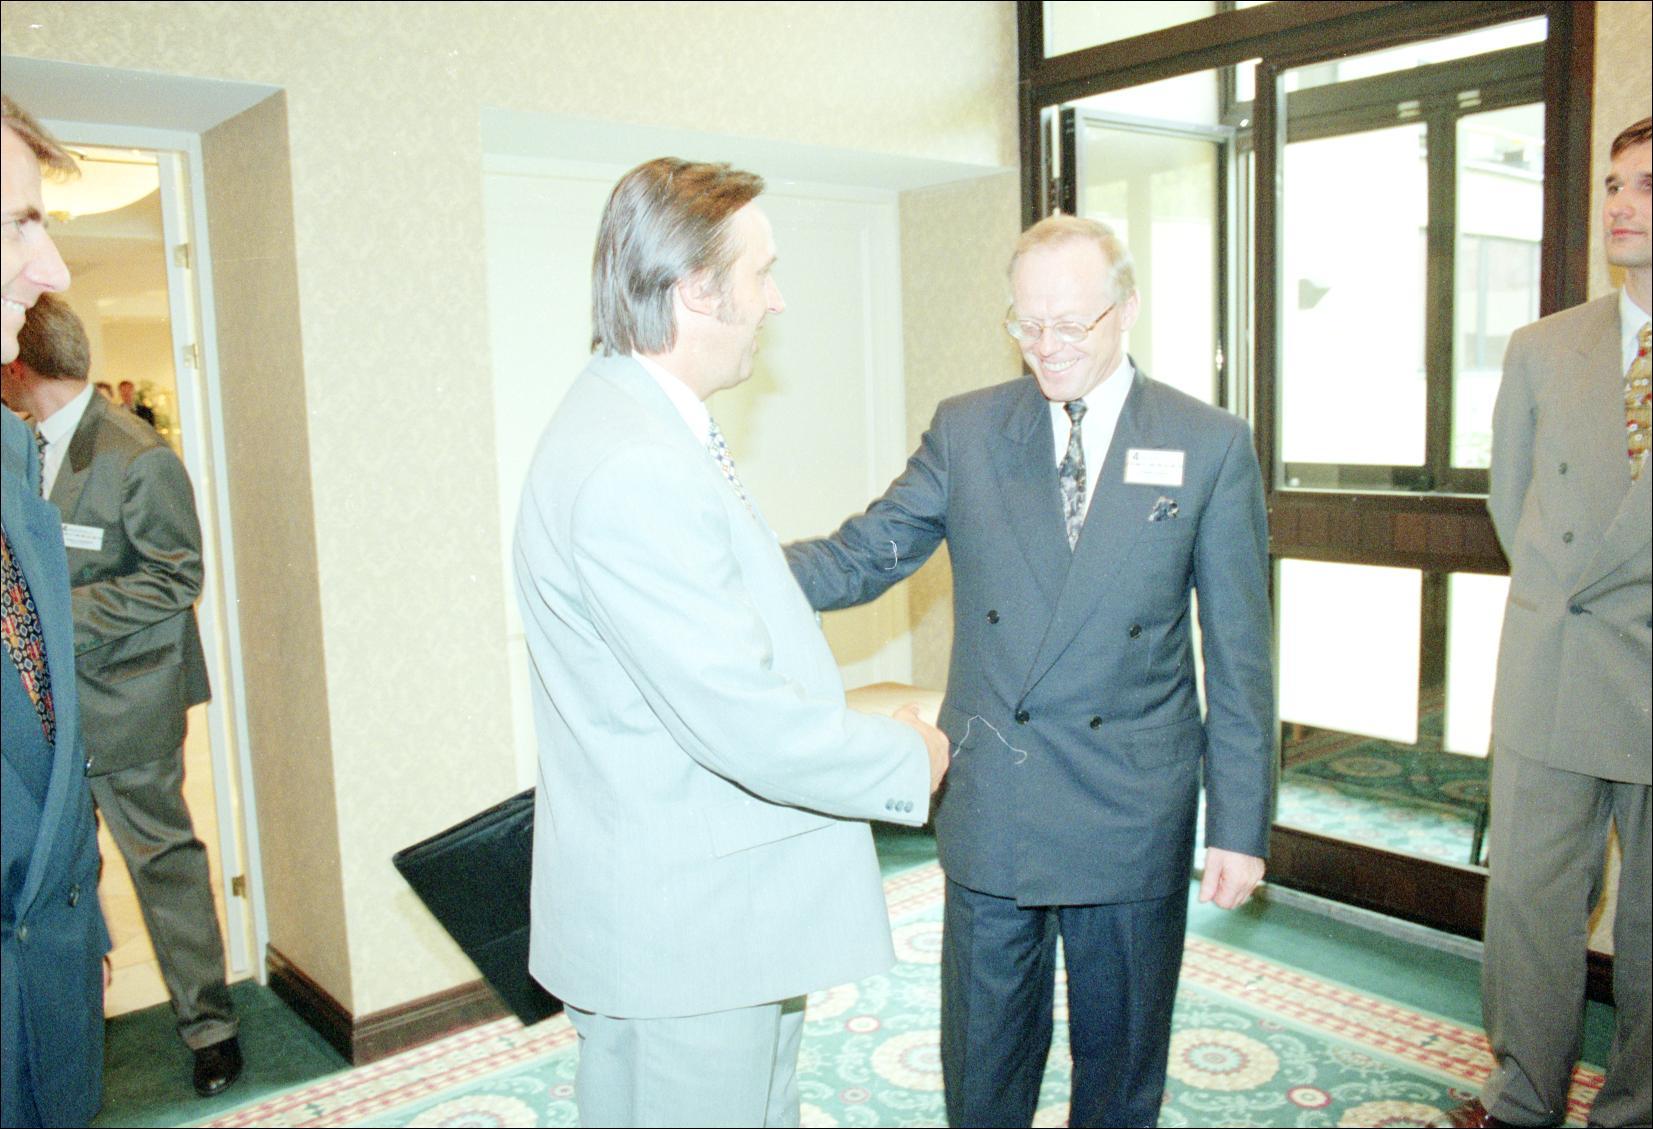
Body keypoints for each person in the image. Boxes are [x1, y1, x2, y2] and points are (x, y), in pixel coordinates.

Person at [786, 214, 1275, 1128]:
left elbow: (1240, 653)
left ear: (1127, 309)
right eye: (1026, 324)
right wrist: (727, 568)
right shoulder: (969, 429)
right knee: (983, 1066)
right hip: (995, 798)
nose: (1045, 346)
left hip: (1129, 806)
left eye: (1070, 324)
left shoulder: (1206, 442)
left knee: (1119, 1073)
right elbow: (862, 555)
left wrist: (1238, 825)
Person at [512, 157, 950, 1127]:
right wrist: (907, 757)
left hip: (706, 910)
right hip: (691, 934)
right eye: (762, 272)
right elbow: (739, 718)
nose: (775, 300)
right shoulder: (634, 463)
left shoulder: (637, 421)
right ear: (697, 289)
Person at [1433, 117, 1651, 1129]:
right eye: (1613, 183)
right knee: (1528, 902)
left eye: (1646, 186)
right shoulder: (1541, 347)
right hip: (1553, 660)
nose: (1620, 204)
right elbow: (1511, 500)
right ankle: (1520, 1099)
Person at [0, 293, 242, 1099]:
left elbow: (178, 576)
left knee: (162, 867)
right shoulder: (19, 449)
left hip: (131, 704)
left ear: (19, 365)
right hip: (52, 717)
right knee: (63, 874)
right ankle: (72, 1026)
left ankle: (212, 1028)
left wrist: (53, 612)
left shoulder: (137, 454)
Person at [1, 92, 108, 1129]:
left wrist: (85, 924)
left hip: (49, 988)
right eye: (16, 225)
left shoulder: (9, 461)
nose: (51, 269)